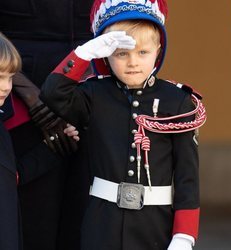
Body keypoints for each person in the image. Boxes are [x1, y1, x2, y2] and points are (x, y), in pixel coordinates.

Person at [41, 0, 207, 249]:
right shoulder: (93, 94)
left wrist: (183, 235)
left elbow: (187, 177)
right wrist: (83, 53)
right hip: (102, 222)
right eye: (121, 54)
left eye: (143, 52)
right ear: (106, 55)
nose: (133, 62)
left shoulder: (178, 102)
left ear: (158, 51)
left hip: (155, 225)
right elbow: (53, 93)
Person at [0, 1, 92, 249]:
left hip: (93, 99)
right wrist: (31, 96)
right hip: (18, 99)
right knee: (33, 220)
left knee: (87, 219)